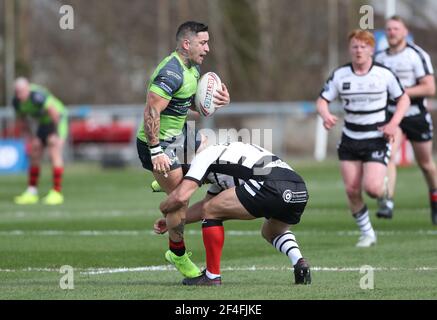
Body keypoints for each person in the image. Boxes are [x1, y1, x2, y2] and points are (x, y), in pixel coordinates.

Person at [136, 21, 230, 278]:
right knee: (180, 200)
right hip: (156, 143)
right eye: (203, 43)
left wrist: (213, 103)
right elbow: (151, 110)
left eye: (208, 42)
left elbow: (184, 104)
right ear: (187, 44)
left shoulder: (192, 69)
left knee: (209, 148)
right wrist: (156, 151)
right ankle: (176, 254)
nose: (208, 48)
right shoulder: (171, 72)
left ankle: (166, 179)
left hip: (179, 136)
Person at [155, 141, 311, 286]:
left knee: (211, 211)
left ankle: (211, 276)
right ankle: (299, 262)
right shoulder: (224, 159)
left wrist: (165, 209)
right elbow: (205, 204)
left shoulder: (202, 157)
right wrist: (173, 222)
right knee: (271, 231)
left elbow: (182, 197)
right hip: (298, 188)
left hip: (269, 184)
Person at [316, 30, 410, 247]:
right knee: (351, 189)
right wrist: (326, 115)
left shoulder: (384, 74)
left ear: (371, 49)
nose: (359, 51)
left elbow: (403, 99)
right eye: (355, 47)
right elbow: (322, 100)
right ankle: (368, 233)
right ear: (350, 49)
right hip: (350, 138)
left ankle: (384, 188)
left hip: (376, 137)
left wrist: (394, 123)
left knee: (373, 189)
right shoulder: (340, 75)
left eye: (363, 47)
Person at [374, 16, 437, 224]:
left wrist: (401, 92)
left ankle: (435, 198)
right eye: (388, 29)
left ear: (404, 31)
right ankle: (388, 200)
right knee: (389, 156)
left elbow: (430, 87)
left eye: (395, 29)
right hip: (393, 117)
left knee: (426, 163)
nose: (391, 32)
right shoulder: (380, 58)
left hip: (415, 115)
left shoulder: (416, 55)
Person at [12, 77, 68, 205]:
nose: (20, 95)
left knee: (54, 148)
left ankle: (57, 192)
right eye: (17, 92)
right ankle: (32, 192)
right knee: (35, 151)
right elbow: (23, 122)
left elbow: (54, 113)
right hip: (43, 123)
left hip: (57, 120)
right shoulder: (16, 102)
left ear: (28, 88)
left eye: (22, 91)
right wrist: (30, 138)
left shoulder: (37, 96)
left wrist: (58, 135)